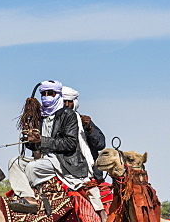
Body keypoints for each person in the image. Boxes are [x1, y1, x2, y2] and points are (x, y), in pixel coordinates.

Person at [7, 81, 105, 213]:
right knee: (14, 161)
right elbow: (37, 145)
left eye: (50, 93)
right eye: (43, 93)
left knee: (32, 167)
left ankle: (99, 212)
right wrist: (29, 137)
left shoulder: (70, 116)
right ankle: (27, 197)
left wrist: (89, 128)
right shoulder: (41, 117)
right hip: (45, 159)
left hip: (67, 160)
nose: (46, 96)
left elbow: (72, 144)